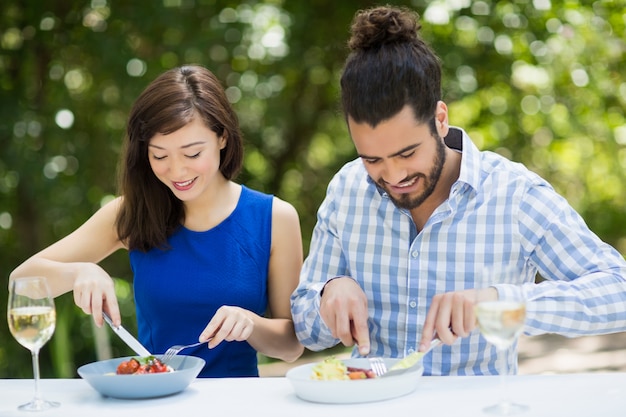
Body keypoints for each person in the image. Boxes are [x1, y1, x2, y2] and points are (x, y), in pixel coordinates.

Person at [290, 5, 626, 376]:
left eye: (407, 153)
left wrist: (498, 302)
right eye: (372, 159)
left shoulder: (513, 194)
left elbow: (617, 292)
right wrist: (329, 292)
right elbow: (306, 329)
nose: (393, 174)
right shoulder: (347, 190)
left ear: (440, 119)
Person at [10, 65, 304, 377]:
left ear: (222, 138)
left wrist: (251, 324)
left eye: (192, 154)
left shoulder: (274, 218)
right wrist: (79, 272)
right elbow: (21, 283)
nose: (177, 172)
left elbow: (291, 348)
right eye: (160, 156)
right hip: (155, 401)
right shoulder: (133, 213)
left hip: (236, 404)